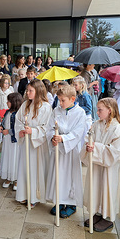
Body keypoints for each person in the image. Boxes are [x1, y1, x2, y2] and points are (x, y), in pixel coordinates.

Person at [80, 98, 120, 232]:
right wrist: (88, 146)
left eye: (100, 110)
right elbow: (89, 139)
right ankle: (97, 212)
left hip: (108, 169)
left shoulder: (117, 128)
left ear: (110, 110)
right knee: (96, 187)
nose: (97, 112)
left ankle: (108, 217)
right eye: (97, 109)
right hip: (96, 165)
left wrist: (96, 148)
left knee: (107, 188)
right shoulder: (96, 124)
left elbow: (115, 151)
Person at [46, 85, 86, 218]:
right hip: (57, 149)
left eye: (63, 100)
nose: (60, 103)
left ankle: (71, 204)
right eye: (59, 100)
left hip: (71, 150)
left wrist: (63, 138)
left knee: (69, 176)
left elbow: (78, 132)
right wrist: (52, 137)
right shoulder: (56, 110)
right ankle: (59, 200)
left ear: (72, 99)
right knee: (58, 175)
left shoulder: (80, 113)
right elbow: (50, 127)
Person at [15, 79, 52, 207]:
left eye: (31, 90)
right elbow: (18, 120)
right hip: (26, 142)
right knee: (25, 168)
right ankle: (24, 194)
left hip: (37, 146)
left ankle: (34, 196)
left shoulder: (46, 107)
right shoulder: (25, 104)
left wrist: (33, 131)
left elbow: (47, 127)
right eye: (27, 90)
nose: (28, 92)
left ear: (39, 91)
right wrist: (21, 130)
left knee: (35, 169)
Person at [0, 93, 23, 190]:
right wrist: (1, 127)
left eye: (8, 101)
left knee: (14, 158)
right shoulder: (7, 112)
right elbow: (5, 123)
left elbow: (19, 128)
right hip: (7, 140)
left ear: (14, 102)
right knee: (7, 157)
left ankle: (16, 179)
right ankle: (9, 178)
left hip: (14, 141)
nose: (6, 103)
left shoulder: (18, 114)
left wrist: (8, 131)